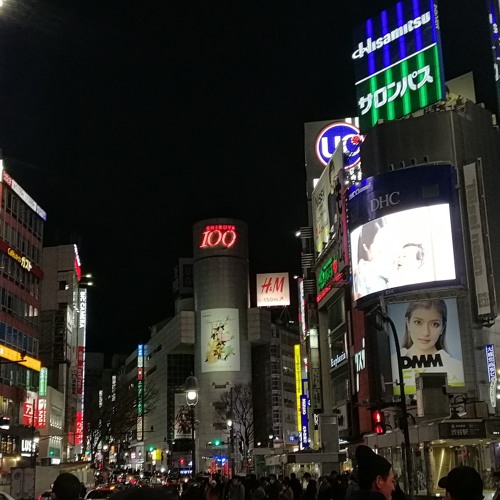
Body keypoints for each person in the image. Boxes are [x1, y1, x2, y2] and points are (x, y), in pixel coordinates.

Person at [395, 299, 463, 391]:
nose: (426, 332)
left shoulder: (456, 366)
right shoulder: (393, 363)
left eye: (434, 324)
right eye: (418, 322)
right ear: (408, 323)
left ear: (443, 327)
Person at [352, 218, 392, 300]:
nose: (382, 246)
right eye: (378, 241)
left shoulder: (386, 268)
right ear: (365, 246)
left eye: (384, 240)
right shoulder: (362, 272)